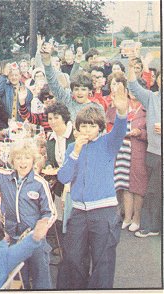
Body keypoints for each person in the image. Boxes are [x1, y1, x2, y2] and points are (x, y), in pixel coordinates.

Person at [56, 83, 128, 289]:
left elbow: (120, 130)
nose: (87, 130)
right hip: (79, 211)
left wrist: (122, 112)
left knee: (103, 261)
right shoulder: (73, 147)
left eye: (92, 126)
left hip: (104, 211)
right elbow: (63, 177)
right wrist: (75, 152)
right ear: (77, 128)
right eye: (83, 126)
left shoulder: (108, 143)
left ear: (100, 127)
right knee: (73, 259)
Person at [0, 138, 56, 289]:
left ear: (33, 160)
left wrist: (40, 229)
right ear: (12, 161)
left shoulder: (39, 183)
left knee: (41, 280)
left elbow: (50, 212)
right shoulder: (4, 177)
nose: (23, 162)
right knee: (19, 279)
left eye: (27, 157)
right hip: (15, 240)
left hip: (35, 240)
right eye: (18, 158)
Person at [106, 74, 147, 233]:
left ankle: (137, 218)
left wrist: (140, 133)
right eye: (132, 89)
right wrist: (114, 103)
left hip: (138, 150)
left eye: (138, 89)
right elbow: (109, 119)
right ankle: (127, 217)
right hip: (121, 148)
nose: (134, 93)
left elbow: (151, 132)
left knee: (138, 186)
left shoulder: (146, 107)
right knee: (125, 185)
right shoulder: (123, 104)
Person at [127, 56, 162, 238]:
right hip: (153, 152)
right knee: (153, 191)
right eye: (161, 77)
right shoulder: (152, 97)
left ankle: (154, 227)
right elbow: (133, 87)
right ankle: (152, 227)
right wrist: (131, 68)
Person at [40, 42, 104, 121]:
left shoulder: (97, 108)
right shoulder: (67, 100)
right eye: (76, 89)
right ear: (72, 90)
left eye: (83, 89)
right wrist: (47, 63)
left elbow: (102, 130)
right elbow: (53, 84)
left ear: (89, 91)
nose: (79, 93)